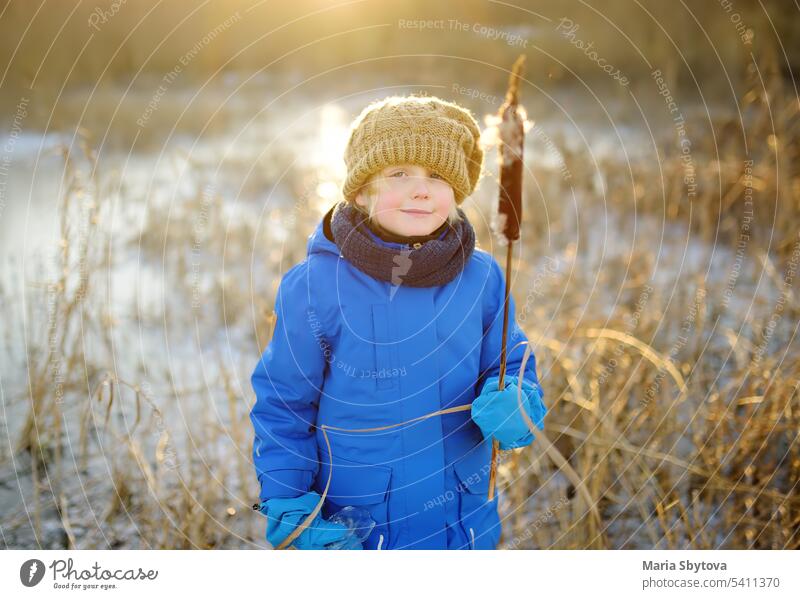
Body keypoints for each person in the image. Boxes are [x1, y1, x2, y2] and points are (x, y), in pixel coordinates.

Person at [250, 95, 547, 550]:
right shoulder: (316, 286)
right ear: (360, 191)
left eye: (438, 176)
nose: (421, 189)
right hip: (360, 525)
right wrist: (291, 507)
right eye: (399, 174)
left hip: (462, 522)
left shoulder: (482, 277)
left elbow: (511, 360)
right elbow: (284, 405)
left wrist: (516, 400)